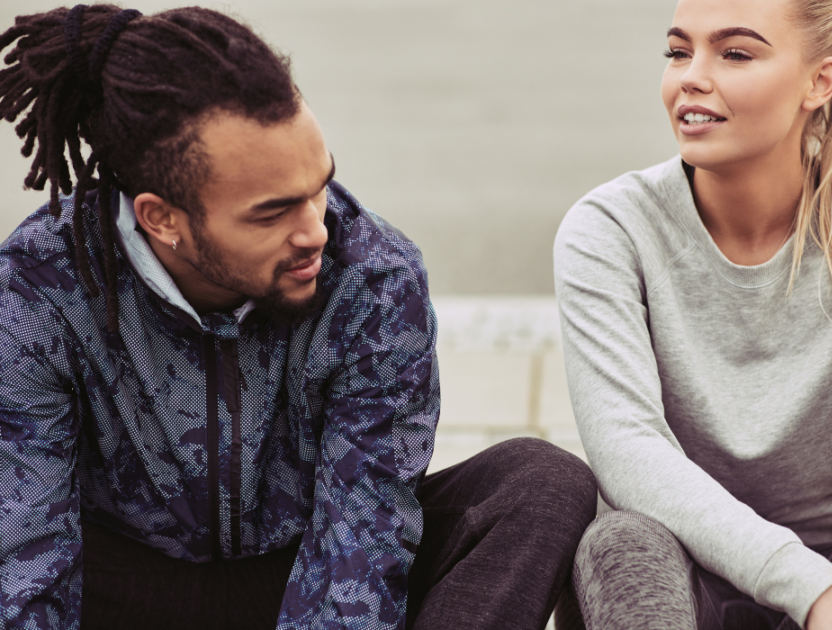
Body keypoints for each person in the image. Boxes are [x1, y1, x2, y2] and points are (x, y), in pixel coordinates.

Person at [0, 5, 598, 629]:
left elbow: (364, 541)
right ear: (162, 218)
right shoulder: (37, 288)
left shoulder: (373, 276)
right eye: (273, 212)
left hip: (306, 569)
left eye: (318, 186)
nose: (316, 228)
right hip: (125, 589)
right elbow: (25, 559)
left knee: (541, 485)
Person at [554, 0, 832, 628]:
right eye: (679, 51)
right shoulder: (609, 229)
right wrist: (816, 593)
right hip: (681, 575)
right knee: (617, 542)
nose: (691, 75)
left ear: (819, 82)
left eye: (735, 53)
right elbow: (629, 453)